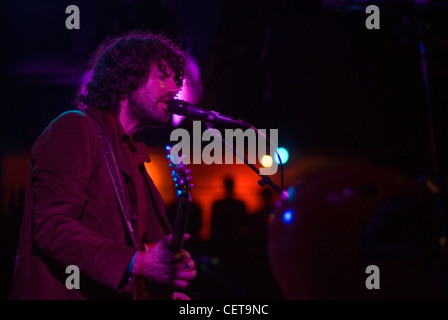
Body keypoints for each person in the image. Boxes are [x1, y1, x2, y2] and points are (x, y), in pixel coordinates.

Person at [9, 31, 197, 300]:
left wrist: (160, 287)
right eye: (162, 76)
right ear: (126, 80)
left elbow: (137, 248)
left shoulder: (134, 157)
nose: (173, 88)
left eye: (175, 80)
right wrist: (141, 263)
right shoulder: (75, 127)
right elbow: (52, 227)